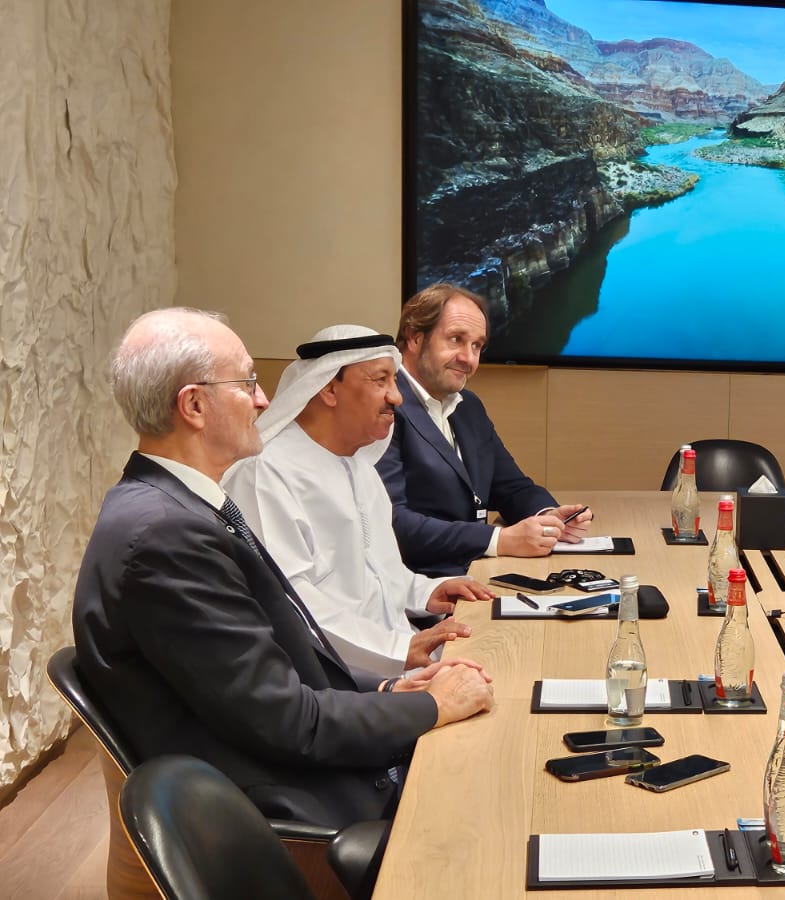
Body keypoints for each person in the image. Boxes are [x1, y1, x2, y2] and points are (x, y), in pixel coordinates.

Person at [73, 308, 495, 828]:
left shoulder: (182, 508)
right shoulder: (166, 536)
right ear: (195, 405)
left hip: (310, 746)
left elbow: (277, 667)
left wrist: (387, 690)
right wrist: (432, 705)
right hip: (290, 803)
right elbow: (286, 721)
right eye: (247, 382)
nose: (264, 400)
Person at [224, 324, 494, 677]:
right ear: (328, 388)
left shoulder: (360, 466)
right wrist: (398, 650)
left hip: (398, 656)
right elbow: (291, 600)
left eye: (394, 381)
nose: (396, 398)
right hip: (340, 681)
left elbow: (380, 572)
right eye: (380, 380)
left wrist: (428, 592)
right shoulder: (265, 473)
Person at [379, 284, 592, 576]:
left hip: (476, 574)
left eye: (477, 346)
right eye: (456, 339)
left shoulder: (468, 406)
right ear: (415, 337)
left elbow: (512, 487)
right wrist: (498, 540)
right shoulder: (383, 407)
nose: (469, 359)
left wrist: (548, 517)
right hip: (418, 586)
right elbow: (393, 523)